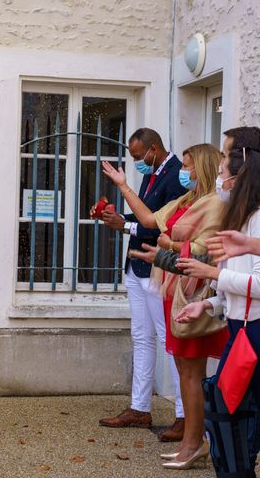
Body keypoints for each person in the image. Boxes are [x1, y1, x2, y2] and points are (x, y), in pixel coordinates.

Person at [103, 143, 229, 470]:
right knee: (185, 371)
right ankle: (192, 441)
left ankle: (194, 441)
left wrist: (167, 244)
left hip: (193, 293)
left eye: (187, 166)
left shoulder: (215, 204)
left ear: (200, 167)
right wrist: (123, 184)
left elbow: (205, 250)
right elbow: (148, 218)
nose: (182, 172)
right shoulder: (187, 200)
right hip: (173, 290)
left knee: (191, 372)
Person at [174, 129, 260, 475]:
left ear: (243, 166)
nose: (220, 167)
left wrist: (211, 275)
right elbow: (234, 289)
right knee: (230, 422)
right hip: (240, 332)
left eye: (225, 157)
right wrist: (209, 306)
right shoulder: (239, 216)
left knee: (235, 422)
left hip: (254, 335)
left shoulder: (256, 219)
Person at [96, 128, 186, 442]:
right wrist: (117, 217)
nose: (137, 163)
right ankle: (139, 407)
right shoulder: (153, 172)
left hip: (157, 268)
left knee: (168, 340)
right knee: (141, 337)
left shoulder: (177, 175)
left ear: (153, 149)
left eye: (139, 157)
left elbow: (167, 227)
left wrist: (127, 225)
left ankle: (184, 414)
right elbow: (142, 213)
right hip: (135, 267)